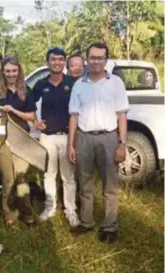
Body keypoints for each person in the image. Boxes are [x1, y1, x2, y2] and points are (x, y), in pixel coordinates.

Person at [68, 42, 129, 244]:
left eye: (100, 58)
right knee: (84, 184)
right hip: (84, 138)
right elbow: (74, 117)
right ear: (87, 59)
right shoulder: (79, 85)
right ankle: (86, 223)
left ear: (106, 60)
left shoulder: (116, 83)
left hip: (108, 138)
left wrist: (122, 144)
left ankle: (110, 227)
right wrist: (71, 144)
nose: (96, 61)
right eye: (92, 58)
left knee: (109, 186)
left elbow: (121, 115)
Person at [32, 47, 79, 226]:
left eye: (60, 59)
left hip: (67, 136)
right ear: (47, 63)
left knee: (68, 177)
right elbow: (30, 103)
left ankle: (71, 211)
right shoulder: (41, 85)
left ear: (64, 62)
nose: (57, 62)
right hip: (47, 137)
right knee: (49, 175)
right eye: (53, 59)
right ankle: (50, 208)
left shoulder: (72, 83)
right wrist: (35, 121)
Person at [0, 56, 37, 228]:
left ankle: (28, 213)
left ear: (19, 71)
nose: (11, 74)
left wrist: (14, 110)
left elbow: (32, 116)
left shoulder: (27, 90)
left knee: (21, 178)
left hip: (22, 139)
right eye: (8, 71)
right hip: (2, 141)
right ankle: (10, 215)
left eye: (14, 71)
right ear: (3, 72)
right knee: (8, 178)